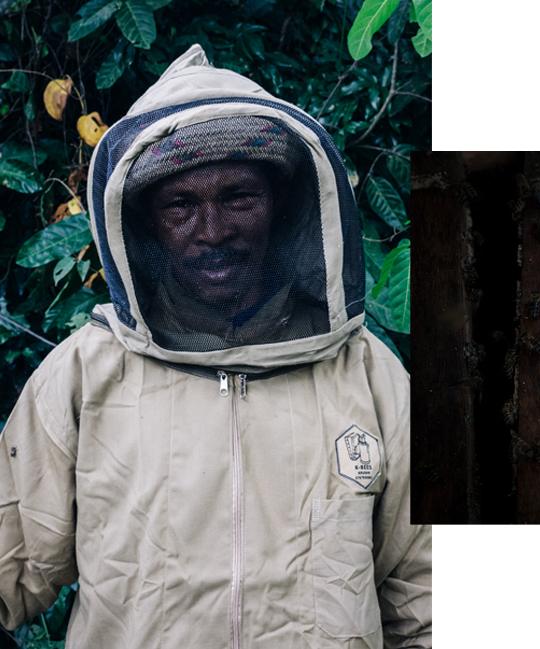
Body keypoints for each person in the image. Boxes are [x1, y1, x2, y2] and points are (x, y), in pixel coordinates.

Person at [0, 44, 429, 649]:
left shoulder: (368, 375)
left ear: (280, 206)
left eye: (238, 198)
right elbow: (11, 560)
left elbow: (429, 590)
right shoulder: (83, 375)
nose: (213, 232)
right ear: (145, 222)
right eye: (181, 204)